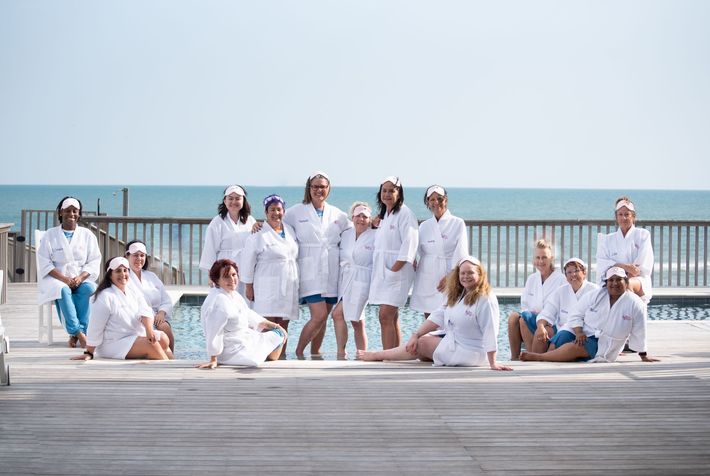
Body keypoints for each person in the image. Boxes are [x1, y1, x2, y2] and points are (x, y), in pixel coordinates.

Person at [358, 257, 512, 371]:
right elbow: (438, 315)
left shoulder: (485, 299)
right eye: (462, 273)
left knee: (422, 344)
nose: (465, 276)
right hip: (456, 342)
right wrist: (415, 334)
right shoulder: (459, 294)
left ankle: (377, 355)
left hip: (472, 352)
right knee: (421, 342)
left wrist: (493, 363)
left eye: (470, 273)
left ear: (480, 274)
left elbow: (490, 330)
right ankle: (385, 354)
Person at [520, 267, 659, 363]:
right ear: (606, 283)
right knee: (561, 337)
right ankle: (549, 356)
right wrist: (579, 332)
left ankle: (540, 358)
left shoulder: (635, 303)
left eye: (619, 280)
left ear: (626, 282)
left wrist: (643, 355)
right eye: (611, 280)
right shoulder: (596, 295)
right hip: (586, 334)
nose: (614, 283)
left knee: (576, 347)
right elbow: (575, 314)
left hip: (606, 344)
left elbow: (640, 331)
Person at [283, 171, 350, 358]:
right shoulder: (295, 212)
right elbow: (277, 226)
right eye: (315, 186)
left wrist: (374, 224)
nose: (319, 190)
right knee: (319, 315)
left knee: (325, 317)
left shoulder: (338, 214)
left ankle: (316, 352)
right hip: (309, 269)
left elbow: (356, 231)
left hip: (331, 270)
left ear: (328, 189)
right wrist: (258, 226)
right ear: (309, 188)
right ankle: (299, 351)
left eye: (323, 186)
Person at [71, 257, 173, 361]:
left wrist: (149, 330)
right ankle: (170, 372)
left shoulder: (132, 290)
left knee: (163, 338)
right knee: (152, 345)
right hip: (113, 343)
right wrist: (89, 352)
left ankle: (173, 364)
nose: (123, 274)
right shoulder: (104, 296)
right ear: (110, 274)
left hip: (133, 336)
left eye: (125, 270)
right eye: (118, 271)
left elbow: (145, 309)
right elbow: (95, 326)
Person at [196, 259, 287, 369]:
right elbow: (214, 331)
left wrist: (275, 326)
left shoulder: (233, 294)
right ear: (217, 280)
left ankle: (269, 346)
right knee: (274, 340)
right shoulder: (218, 300)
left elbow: (248, 314)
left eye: (234, 275)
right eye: (226, 277)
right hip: (229, 351)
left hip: (242, 340)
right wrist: (213, 359)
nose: (232, 280)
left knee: (278, 333)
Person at [37, 196, 101, 348]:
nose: (71, 214)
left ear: (79, 214)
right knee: (63, 290)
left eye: (74, 211)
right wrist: (65, 279)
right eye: (67, 211)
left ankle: (76, 334)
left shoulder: (87, 235)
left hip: (80, 277)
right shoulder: (50, 235)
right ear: (60, 212)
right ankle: (79, 333)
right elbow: (44, 263)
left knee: (89, 288)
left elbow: (94, 261)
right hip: (56, 279)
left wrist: (80, 278)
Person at [368, 176, 419, 350]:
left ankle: (387, 355)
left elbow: (409, 244)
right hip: (386, 271)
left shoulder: (405, 214)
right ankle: (395, 354)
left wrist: (394, 270)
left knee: (385, 315)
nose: (388, 194)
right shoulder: (386, 215)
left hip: (398, 270)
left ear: (399, 193)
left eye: (392, 190)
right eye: (384, 190)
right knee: (391, 316)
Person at [241, 194, 299, 343]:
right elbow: (248, 262)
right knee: (267, 323)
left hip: (288, 284)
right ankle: (266, 358)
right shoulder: (258, 234)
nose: (276, 213)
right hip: (267, 284)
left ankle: (281, 357)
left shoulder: (290, 231)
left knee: (284, 324)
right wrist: (249, 286)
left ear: (284, 212)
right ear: (266, 212)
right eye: (272, 210)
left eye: (279, 209)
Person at [410, 185, 468, 318]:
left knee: (449, 316)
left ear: (445, 200)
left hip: (448, 273)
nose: (436, 202)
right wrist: (412, 259)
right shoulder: (424, 226)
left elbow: (462, 252)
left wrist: (451, 277)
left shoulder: (458, 223)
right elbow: (416, 248)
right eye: (432, 199)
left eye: (440, 199)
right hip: (427, 274)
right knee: (429, 317)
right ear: (428, 202)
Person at [507, 238, 566, 360]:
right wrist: (534, 317)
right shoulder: (532, 279)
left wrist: (543, 321)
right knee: (515, 317)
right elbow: (525, 305)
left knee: (525, 321)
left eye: (544, 257)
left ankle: (530, 356)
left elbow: (562, 308)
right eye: (537, 258)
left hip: (551, 323)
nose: (540, 261)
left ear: (551, 258)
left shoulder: (561, 279)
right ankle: (514, 358)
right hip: (532, 319)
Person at [331, 202, 376, 358]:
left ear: (370, 219)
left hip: (363, 280)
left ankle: (346, 353)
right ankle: (355, 353)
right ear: (352, 217)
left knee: (348, 317)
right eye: (358, 216)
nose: (361, 219)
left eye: (365, 216)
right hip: (345, 279)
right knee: (355, 320)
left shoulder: (375, 235)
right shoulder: (346, 234)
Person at [530, 258, 598, 353]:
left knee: (560, 339)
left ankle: (540, 359)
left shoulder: (594, 291)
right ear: (565, 276)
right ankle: (533, 363)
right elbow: (547, 312)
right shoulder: (561, 291)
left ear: (584, 272)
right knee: (542, 332)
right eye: (569, 272)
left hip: (586, 333)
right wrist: (541, 326)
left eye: (576, 271)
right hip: (563, 331)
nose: (573, 275)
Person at [199, 185, 256, 297]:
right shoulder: (217, 222)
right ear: (225, 201)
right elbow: (210, 248)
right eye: (230, 198)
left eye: (237, 198)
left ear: (243, 201)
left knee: (245, 301)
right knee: (225, 299)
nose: (233, 201)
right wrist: (211, 275)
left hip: (245, 267)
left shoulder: (250, 220)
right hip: (224, 268)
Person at [596, 196, 654, 302]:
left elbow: (639, 267)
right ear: (616, 217)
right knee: (608, 288)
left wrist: (624, 272)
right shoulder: (607, 239)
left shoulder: (643, 235)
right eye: (620, 215)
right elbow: (602, 264)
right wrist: (624, 267)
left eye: (627, 214)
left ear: (633, 217)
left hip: (638, 280)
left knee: (626, 285)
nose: (624, 218)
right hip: (613, 278)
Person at [125, 240, 176, 352]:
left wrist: (162, 312)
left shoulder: (151, 276)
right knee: (162, 329)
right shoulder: (124, 277)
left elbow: (166, 299)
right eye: (135, 255)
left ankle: (171, 356)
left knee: (165, 327)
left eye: (142, 255)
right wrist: (149, 317)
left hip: (157, 317)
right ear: (127, 256)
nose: (139, 258)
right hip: (138, 318)